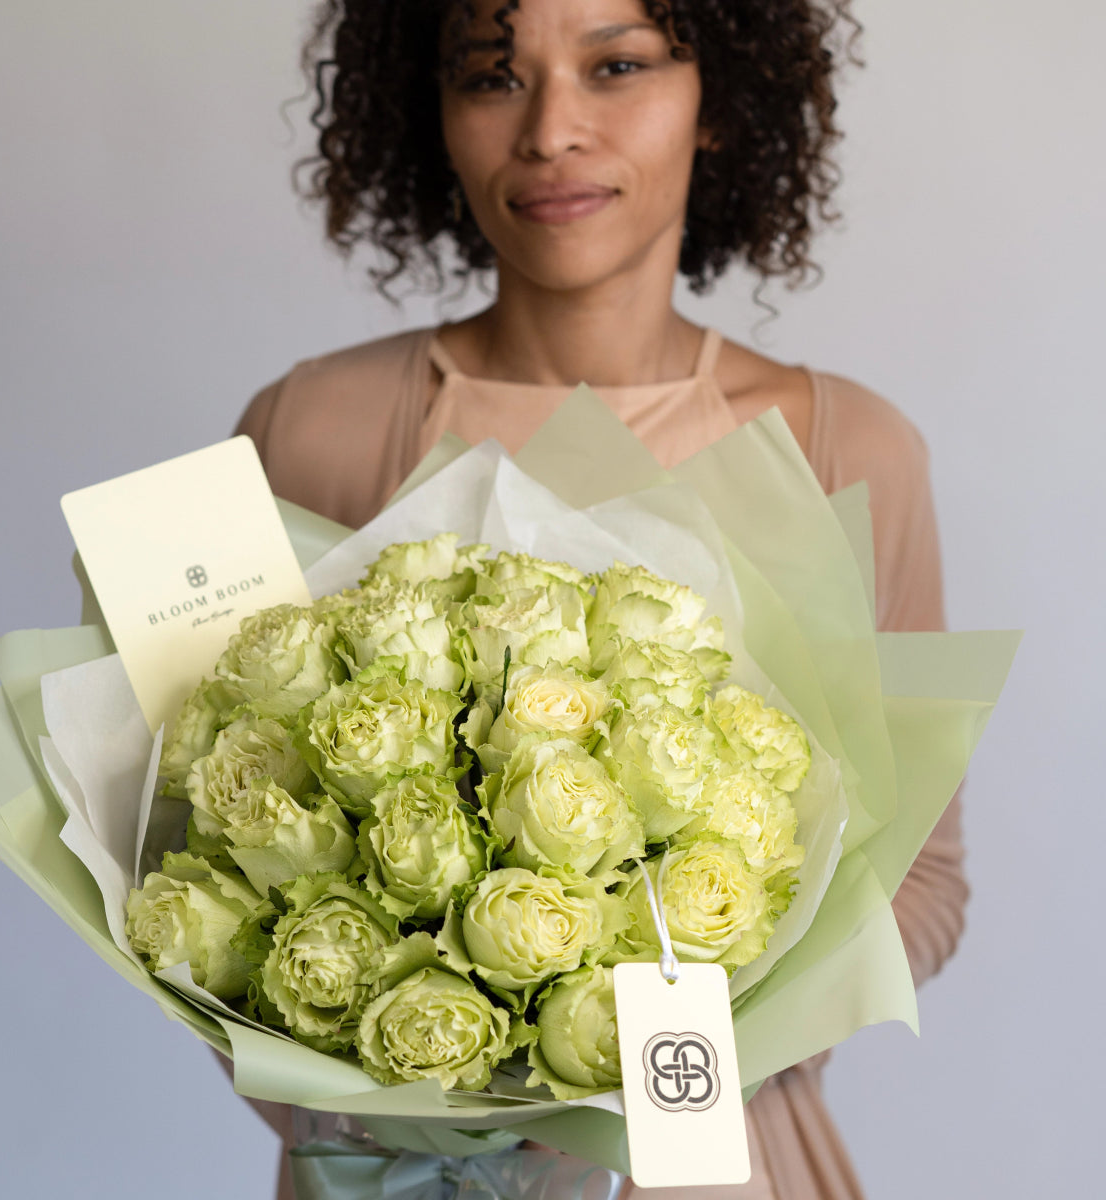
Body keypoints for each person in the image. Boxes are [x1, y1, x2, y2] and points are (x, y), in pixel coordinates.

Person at [232, 0, 969, 1195]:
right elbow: (199, 851)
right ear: (434, 114)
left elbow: (925, 883)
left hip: (728, 1167)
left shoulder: (849, 451)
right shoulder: (312, 429)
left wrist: (702, 1045)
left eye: (616, 65)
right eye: (491, 76)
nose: (551, 129)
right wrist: (396, 1086)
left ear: (718, 97)